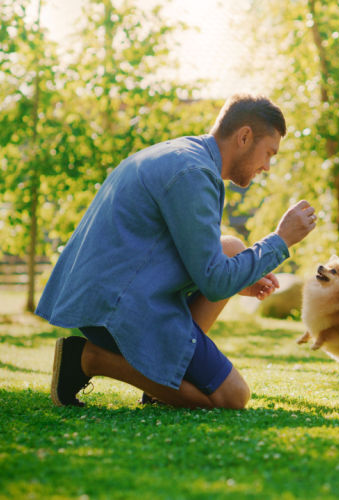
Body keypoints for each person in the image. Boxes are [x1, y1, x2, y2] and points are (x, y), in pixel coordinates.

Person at [36, 94, 317, 409]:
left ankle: (161, 379)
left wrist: (242, 277)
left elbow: (202, 257)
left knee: (232, 247)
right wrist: (281, 240)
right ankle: (88, 359)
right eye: (268, 153)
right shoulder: (194, 175)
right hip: (114, 312)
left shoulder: (183, 155)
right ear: (244, 137)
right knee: (232, 397)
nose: (266, 166)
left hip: (106, 295)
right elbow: (213, 281)